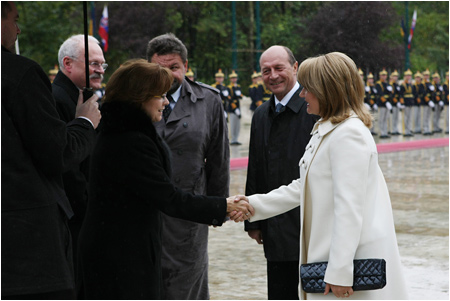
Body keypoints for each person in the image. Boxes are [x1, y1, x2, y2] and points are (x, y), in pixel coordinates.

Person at [235, 52, 409, 299]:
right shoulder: (327, 129)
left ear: (327, 90)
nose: (302, 94)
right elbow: (302, 185)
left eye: (307, 88)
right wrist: (253, 204)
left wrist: (339, 271)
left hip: (345, 268)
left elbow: (349, 207)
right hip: (329, 257)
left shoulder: (348, 134)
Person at [77, 60, 251, 300]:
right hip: (119, 256)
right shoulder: (129, 141)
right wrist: (223, 206)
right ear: (140, 97)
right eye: (160, 95)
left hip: (123, 250)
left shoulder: (124, 132)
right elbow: (169, 198)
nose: (167, 102)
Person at [2, 2, 101, 299]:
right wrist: (84, 122)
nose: (18, 30)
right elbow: (57, 154)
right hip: (25, 247)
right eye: (14, 19)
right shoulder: (20, 75)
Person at [146, 33, 230, 300]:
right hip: (147, 212)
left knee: (188, 285)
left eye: (174, 68)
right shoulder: (134, 101)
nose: (168, 75)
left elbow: (219, 159)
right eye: (160, 68)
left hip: (190, 215)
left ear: (185, 65)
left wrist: (217, 207)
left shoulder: (209, 101)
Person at [244, 45, 317, 300]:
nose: (272, 76)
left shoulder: (314, 109)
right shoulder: (262, 113)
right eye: (266, 71)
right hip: (274, 225)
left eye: (279, 68)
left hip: (309, 224)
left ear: (295, 68)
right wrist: (252, 220)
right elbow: (255, 168)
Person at [52, 34, 106, 276]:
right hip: (74, 217)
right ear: (68, 64)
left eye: (102, 64)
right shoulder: (58, 100)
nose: (100, 70)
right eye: (93, 64)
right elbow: (68, 162)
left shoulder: (82, 96)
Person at [375, 69, 392, 138]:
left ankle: (385, 132)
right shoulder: (378, 84)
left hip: (387, 103)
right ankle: (381, 132)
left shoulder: (387, 84)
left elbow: (389, 94)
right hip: (382, 103)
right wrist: (385, 102)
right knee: (381, 118)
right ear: (380, 76)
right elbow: (380, 94)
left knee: (386, 118)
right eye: (382, 75)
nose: (384, 76)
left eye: (385, 75)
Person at [228, 70, 243, 145]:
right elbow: (229, 99)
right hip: (232, 108)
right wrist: (235, 108)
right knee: (233, 124)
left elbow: (240, 96)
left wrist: (240, 95)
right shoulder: (229, 87)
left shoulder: (238, 86)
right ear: (230, 79)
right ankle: (233, 139)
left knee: (238, 125)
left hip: (238, 106)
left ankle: (236, 138)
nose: (234, 79)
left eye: (235, 78)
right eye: (232, 78)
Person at [400, 69, 415, 136]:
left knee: (409, 117)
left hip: (410, 102)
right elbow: (401, 94)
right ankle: (405, 130)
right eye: (407, 75)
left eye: (409, 75)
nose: (408, 77)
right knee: (405, 117)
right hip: (405, 102)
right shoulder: (403, 85)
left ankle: (409, 129)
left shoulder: (411, 84)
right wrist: (402, 103)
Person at [389, 70, 403, 135]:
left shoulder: (397, 84)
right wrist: (396, 102)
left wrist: (400, 102)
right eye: (394, 76)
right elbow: (392, 95)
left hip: (397, 103)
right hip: (393, 103)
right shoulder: (391, 85)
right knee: (393, 118)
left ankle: (396, 129)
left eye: (396, 76)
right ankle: (393, 130)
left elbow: (399, 94)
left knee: (397, 117)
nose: (396, 77)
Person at [422, 69, 436, 135]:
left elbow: (432, 93)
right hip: (425, 102)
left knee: (428, 116)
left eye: (427, 75)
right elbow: (423, 93)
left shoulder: (430, 83)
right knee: (425, 116)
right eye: (425, 75)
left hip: (430, 102)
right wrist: (428, 101)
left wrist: (432, 100)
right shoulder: (423, 84)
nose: (426, 76)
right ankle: (425, 129)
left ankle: (428, 128)